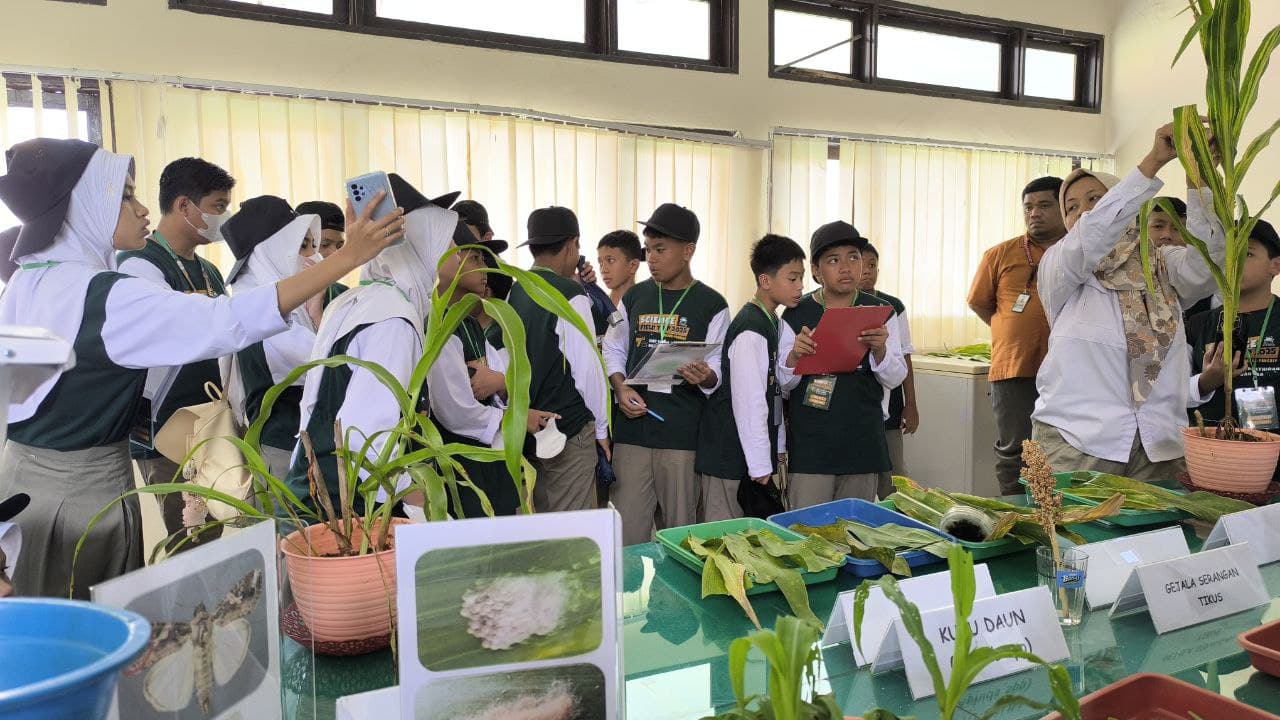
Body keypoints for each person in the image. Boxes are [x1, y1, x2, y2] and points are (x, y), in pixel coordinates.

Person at [0, 138, 403, 597]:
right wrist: (347, 259)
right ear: (85, 206)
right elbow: (228, 320)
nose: (141, 209)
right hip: (79, 494)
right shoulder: (106, 295)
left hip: (23, 479)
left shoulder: (29, 281)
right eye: (126, 196)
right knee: (80, 621)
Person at [1031, 122, 1223, 480]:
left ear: (1130, 204)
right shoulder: (1061, 267)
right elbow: (1093, 234)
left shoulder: (1163, 264)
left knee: (1162, 521)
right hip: (1078, 442)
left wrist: (1201, 182)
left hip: (1159, 445)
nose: (1084, 212)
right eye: (1071, 207)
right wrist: (1153, 161)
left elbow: (1210, 263)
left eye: (1095, 199)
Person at [286, 174, 452, 514]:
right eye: (442, 245)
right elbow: (365, 436)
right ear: (421, 247)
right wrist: (416, 497)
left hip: (312, 488)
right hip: (348, 508)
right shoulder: (394, 319)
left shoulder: (354, 301)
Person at [116, 157, 235, 540]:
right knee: (188, 539)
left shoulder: (210, 271)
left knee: (214, 534)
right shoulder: (138, 265)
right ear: (184, 205)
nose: (223, 217)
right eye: (218, 206)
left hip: (210, 425)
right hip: (165, 431)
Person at [604, 204, 729, 545]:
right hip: (632, 432)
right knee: (626, 534)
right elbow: (613, 348)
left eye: (660, 250)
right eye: (648, 250)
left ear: (688, 251)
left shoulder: (712, 304)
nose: (652, 259)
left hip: (681, 436)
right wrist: (619, 387)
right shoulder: (634, 297)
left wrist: (705, 377)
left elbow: (717, 371)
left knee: (680, 535)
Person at [431, 220, 558, 517]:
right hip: (463, 464)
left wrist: (501, 385)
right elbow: (456, 410)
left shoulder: (470, 322)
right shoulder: (438, 326)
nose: (484, 267)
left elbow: (500, 377)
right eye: (475, 258)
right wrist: (517, 419)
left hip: (489, 458)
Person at [778, 221, 905, 507]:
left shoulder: (881, 312)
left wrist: (880, 349)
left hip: (863, 441)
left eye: (853, 257)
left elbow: (895, 377)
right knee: (806, 526)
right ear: (816, 270)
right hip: (812, 445)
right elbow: (784, 384)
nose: (846, 267)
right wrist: (795, 356)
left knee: (855, 525)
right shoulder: (796, 313)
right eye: (834, 260)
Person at [505, 207, 610, 512]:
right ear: (571, 246)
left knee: (545, 522)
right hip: (569, 429)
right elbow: (587, 369)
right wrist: (601, 430)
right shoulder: (569, 293)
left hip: (532, 429)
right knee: (574, 528)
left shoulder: (517, 290)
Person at [967, 176, 1067, 495]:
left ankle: (1058, 513)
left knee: (1065, 448)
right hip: (1014, 367)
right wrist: (1014, 330)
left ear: (1064, 207)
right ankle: (1016, 511)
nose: (1034, 213)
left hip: (1070, 370)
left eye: (1044, 205)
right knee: (1015, 450)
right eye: (1028, 207)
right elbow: (980, 303)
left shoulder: (1079, 251)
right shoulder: (999, 254)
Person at [697, 234, 806, 521]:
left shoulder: (773, 322)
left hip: (750, 458)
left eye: (801, 278)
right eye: (792, 278)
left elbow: (778, 387)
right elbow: (750, 402)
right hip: (730, 458)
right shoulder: (750, 329)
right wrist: (760, 465)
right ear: (765, 281)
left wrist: (776, 449)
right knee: (724, 538)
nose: (800, 286)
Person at [220, 196, 323, 479]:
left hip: (294, 444)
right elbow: (326, 363)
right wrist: (316, 312)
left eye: (313, 245)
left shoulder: (274, 300)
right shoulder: (259, 307)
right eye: (302, 246)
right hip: (281, 450)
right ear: (275, 252)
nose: (314, 256)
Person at [1188, 219, 1280, 429]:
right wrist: (1206, 381)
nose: (1232, 261)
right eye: (1227, 252)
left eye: (1246, 254)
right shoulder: (1197, 323)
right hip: (1207, 445)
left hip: (1271, 447)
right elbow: (1169, 392)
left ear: (1275, 266)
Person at [859, 242, 917, 498]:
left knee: (893, 476)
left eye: (872, 265)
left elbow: (905, 356)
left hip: (890, 401)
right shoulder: (841, 305)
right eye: (862, 265)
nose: (867, 271)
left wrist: (911, 404)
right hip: (859, 405)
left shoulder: (892, 306)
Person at [295, 200, 349, 307]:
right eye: (324, 244)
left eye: (339, 246)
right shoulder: (280, 294)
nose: (335, 253)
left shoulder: (344, 295)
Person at [598, 229, 643, 307]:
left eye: (610, 260)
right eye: (600, 262)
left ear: (633, 265)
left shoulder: (645, 305)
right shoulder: (597, 306)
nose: (603, 270)